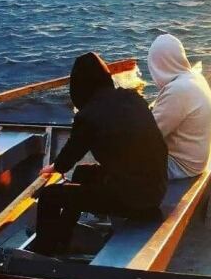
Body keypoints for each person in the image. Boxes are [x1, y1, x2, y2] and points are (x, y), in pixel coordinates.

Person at [32, 52, 168, 257]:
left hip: (133, 199)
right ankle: (63, 238)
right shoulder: (132, 97)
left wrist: (55, 168)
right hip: (155, 188)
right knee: (82, 173)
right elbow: (74, 157)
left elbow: (71, 153)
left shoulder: (89, 114)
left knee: (50, 196)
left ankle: (43, 252)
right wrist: (62, 165)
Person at [148, 34, 211, 179]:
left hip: (180, 167)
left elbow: (149, 135)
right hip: (197, 161)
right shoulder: (194, 77)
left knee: (120, 159)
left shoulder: (177, 90)